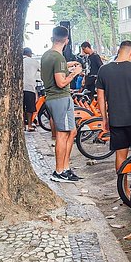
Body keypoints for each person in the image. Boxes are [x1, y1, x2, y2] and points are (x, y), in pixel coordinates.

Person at [96, 41, 131, 175]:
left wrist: (105, 119)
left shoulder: (103, 70)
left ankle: (124, 189)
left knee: (120, 155)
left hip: (116, 121)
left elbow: (100, 98)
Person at [42, 26, 83, 182]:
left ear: (53, 38)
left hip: (54, 98)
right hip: (60, 97)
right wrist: (74, 73)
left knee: (71, 132)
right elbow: (60, 82)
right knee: (62, 134)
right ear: (67, 40)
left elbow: (56, 70)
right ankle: (59, 171)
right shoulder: (58, 58)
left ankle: (65, 168)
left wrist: (68, 65)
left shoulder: (48, 55)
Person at [22, 47, 40, 132]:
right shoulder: (34, 62)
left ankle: (22, 125)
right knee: (30, 108)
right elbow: (41, 70)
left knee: (21, 107)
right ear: (30, 53)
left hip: (19, 87)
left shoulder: (18, 60)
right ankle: (29, 125)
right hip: (29, 87)